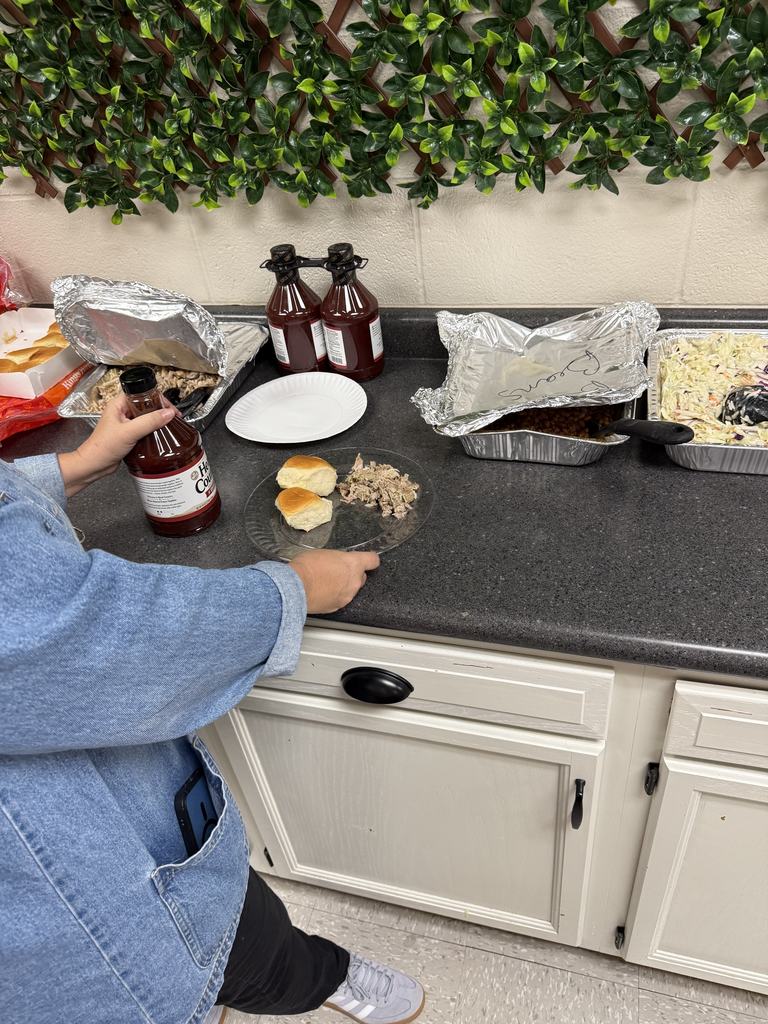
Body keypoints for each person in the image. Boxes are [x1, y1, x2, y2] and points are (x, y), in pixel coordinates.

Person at [0, 395, 425, 1024]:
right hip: (65, 902)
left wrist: (73, 468)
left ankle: (306, 974)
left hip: (111, 833)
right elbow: (85, 638)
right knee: (213, 947)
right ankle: (310, 980)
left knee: (229, 919)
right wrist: (292, 589)